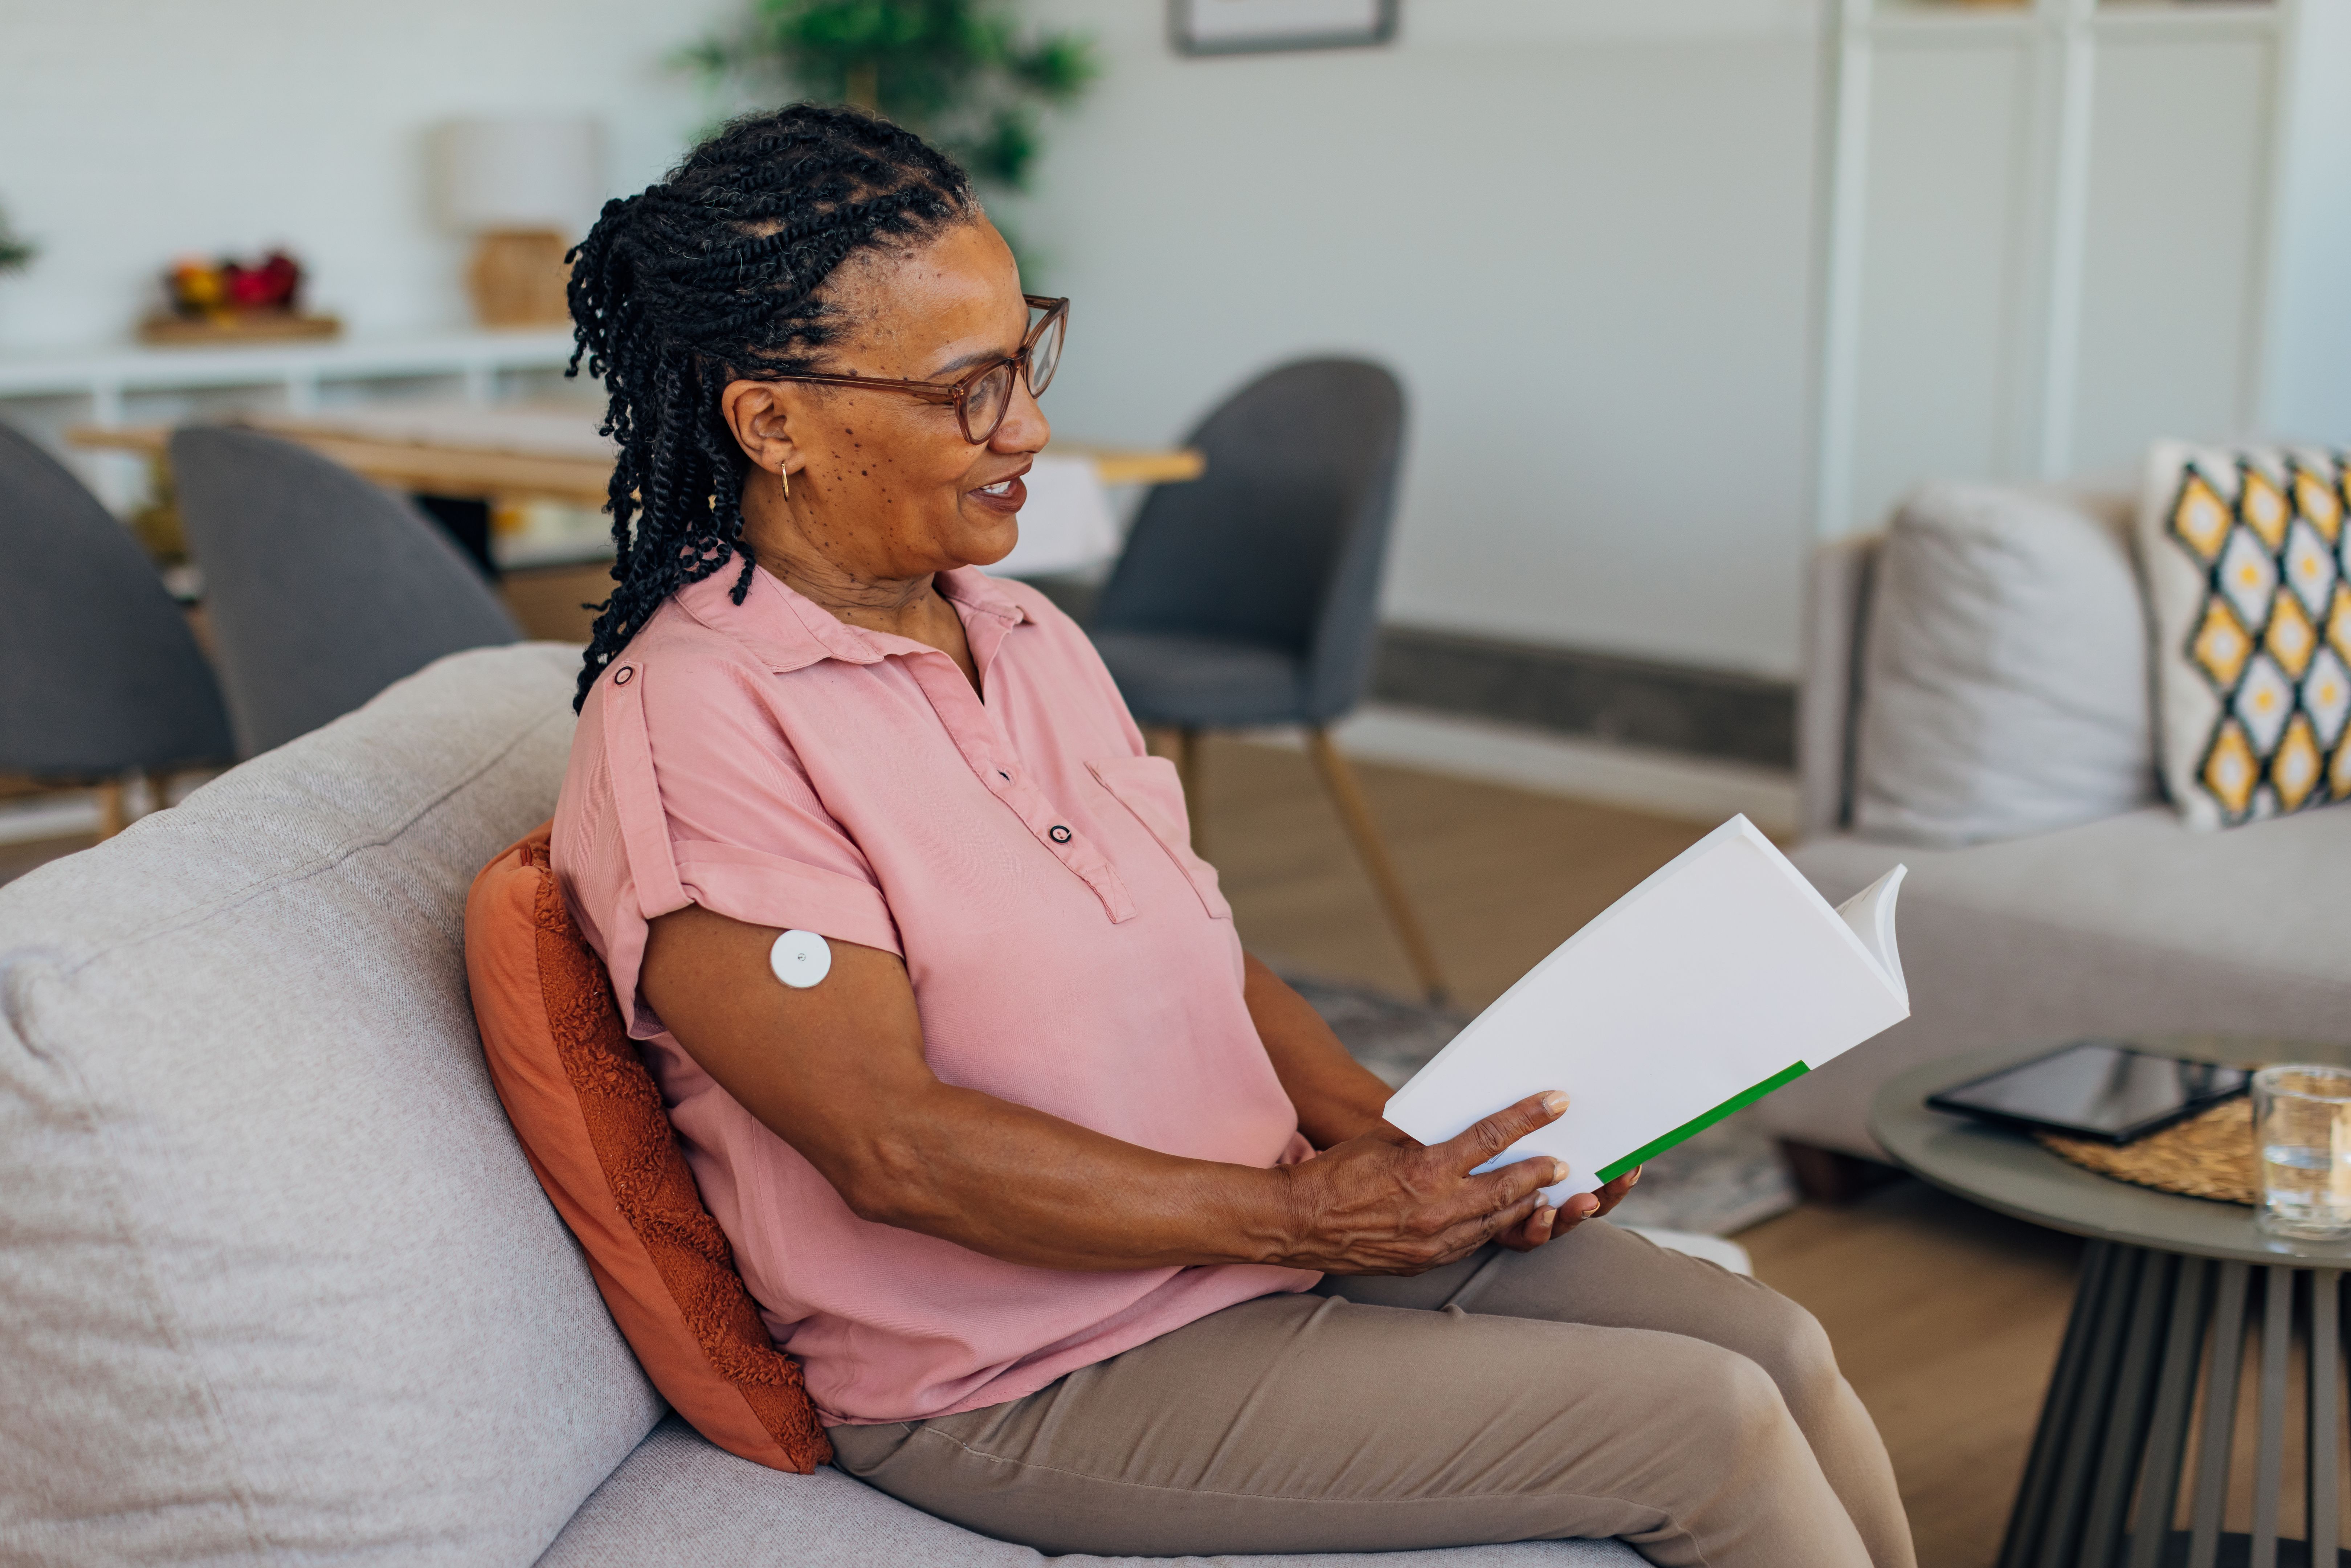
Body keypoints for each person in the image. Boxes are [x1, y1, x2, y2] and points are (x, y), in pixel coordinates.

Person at [550, 104, 1914, 1568]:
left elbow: (1194, 945)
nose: (1028, 428)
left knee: (1776, 1342)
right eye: (966, 391)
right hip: (1028, 1365)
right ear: (773, 423)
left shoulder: (1025, 633)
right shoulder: (698, 722)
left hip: (1253, 1245)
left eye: (1026, 356)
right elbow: (896, 1148)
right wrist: (1302, 1216)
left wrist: (1404, 1143)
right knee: (1706, 1424)